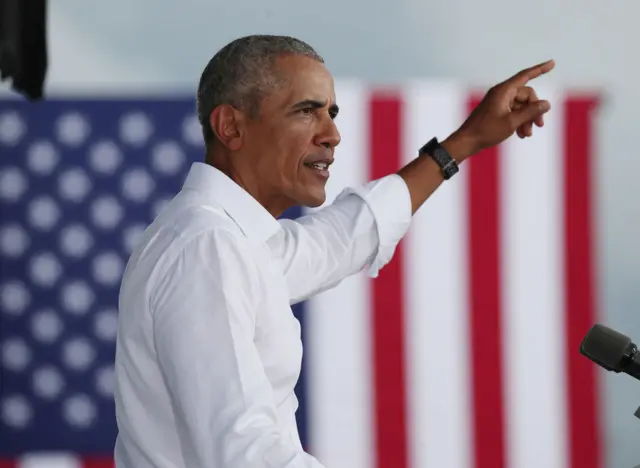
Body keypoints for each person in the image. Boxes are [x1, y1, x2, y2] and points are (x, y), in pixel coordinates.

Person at [113, 34, 553, 468]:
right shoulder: (206, 248)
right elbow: (244, 452)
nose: (332, 134)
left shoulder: (231, 241)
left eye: (332, 113)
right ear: (231, 126)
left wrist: (465, 142)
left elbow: (343, 236)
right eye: (306, 111)